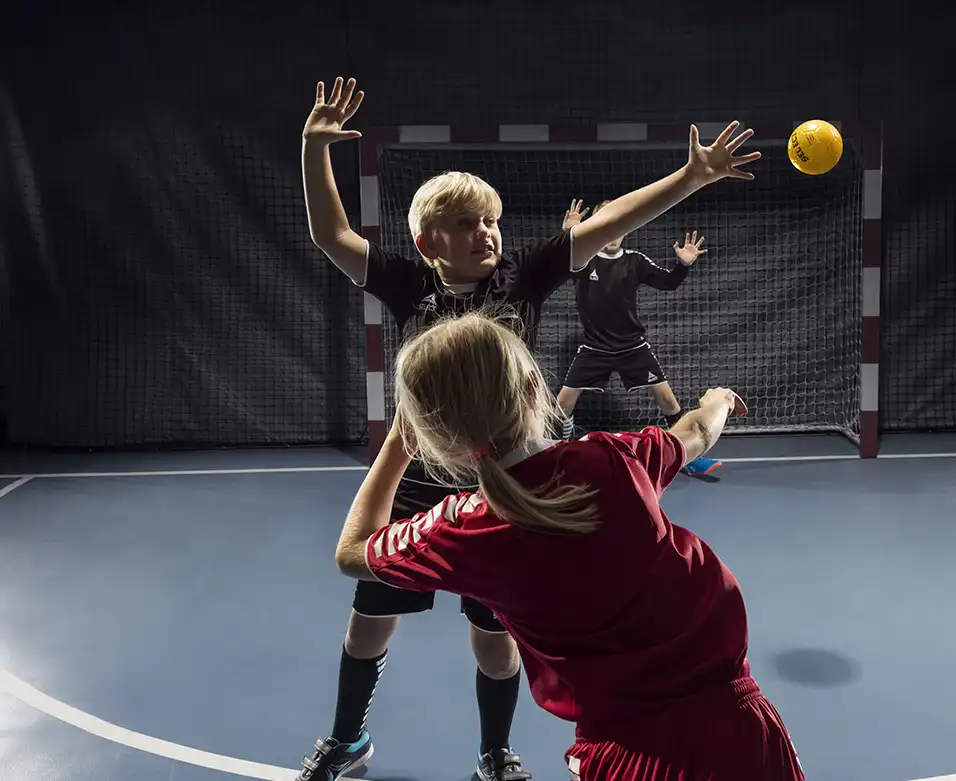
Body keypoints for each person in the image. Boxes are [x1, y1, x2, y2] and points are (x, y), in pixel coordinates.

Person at [299, 75, 761, 781]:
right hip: (424, 481)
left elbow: (612, 225)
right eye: (466, 224)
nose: (485, 232)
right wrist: (313, 151)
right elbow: (331, 234)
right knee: (370, 621)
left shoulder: (523, 279)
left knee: (497, 633)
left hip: (506, 487)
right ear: (428, 241)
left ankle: (494, 753)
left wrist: (690, 178)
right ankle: (346, 739)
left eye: (491, 221)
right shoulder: (406, 284)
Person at [333, 312, 804, 781]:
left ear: (439, 440)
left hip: (628, 759)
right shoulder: (611, 458)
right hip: (744, 729)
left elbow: (352, 552)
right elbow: (696, 432)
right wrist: (718, 400)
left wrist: (397, 443)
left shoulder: (464, 529)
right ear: (535, 390)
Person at [557, 200, 722, 476]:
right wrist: (568, 239)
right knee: (562, 405)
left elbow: (668, 282)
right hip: (594, 348)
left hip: (632, 346)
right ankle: (563, 448)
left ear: (627, 227)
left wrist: (683, 265)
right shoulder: (582, 259)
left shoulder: (635, 260)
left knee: (669, 402)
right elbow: (558, 263)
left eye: (618, 223)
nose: (612, 231)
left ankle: (687, 456)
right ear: (595, 228)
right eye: (605, 224)